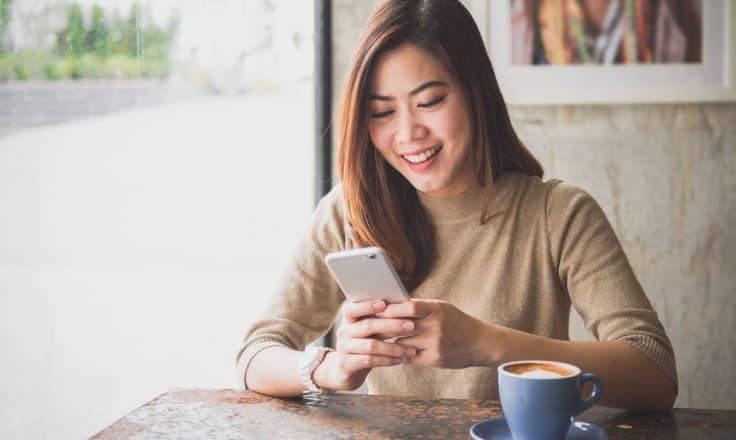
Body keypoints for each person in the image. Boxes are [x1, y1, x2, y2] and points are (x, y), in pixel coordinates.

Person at [236, 0, 677, 410]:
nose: (408, 134)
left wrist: (487, 343)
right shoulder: (350, 210)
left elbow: (654, 372)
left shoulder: (557, 214)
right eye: (383, 112)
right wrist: (331, 367)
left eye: (429, 102)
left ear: (475, 92)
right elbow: (256, 354)